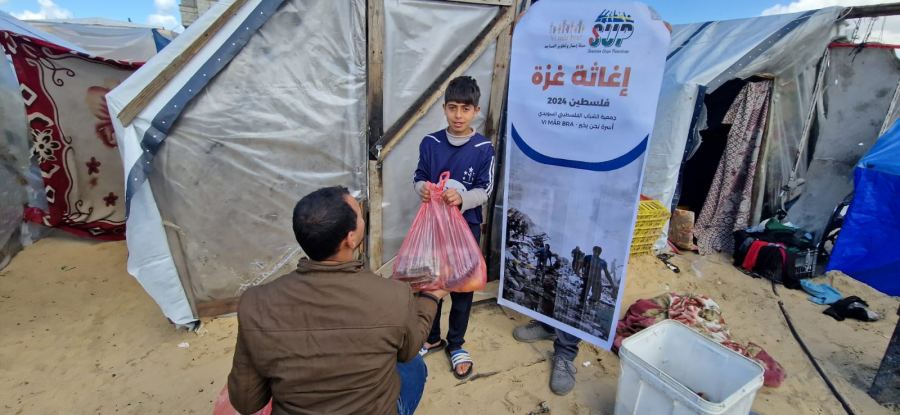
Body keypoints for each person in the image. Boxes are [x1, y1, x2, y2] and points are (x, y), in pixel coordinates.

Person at [228, 186, 448, 415]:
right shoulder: (394, 295)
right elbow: (409, 350)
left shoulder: (255, 303)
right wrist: (431, 297)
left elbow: (246, 402)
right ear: (350, 239)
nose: (363, 219)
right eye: (360, 216)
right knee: (413, 366)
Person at [414, 75, 495, 380]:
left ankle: (457, 343)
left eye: (465, 108)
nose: (458, 115)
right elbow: (419, 176)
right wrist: (422, 188)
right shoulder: (431, 143)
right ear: (444, 108)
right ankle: (432, 337)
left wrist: (462, 198)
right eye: (452, 108)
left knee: (462, 286)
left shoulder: (483, 148)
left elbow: (485, 189)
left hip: (466, 230)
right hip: (434, 227)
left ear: (476, 111)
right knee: (430, 283)